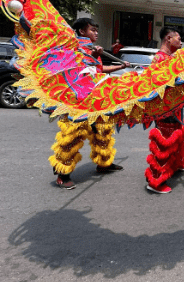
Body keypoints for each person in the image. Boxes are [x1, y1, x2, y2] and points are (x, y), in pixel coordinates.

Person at [51, 18, 130, 190]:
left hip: (95, 98)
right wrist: (93, 56)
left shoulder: (92, 48)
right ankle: (62, 174)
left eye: (96, 30)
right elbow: (81, 69)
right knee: (73, 134)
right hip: (79, 100)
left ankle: (104, 163)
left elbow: (98, 70)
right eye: (92, 30)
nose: (96, 33)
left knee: (102, 130)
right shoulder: (76, 47)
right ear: (81, 32)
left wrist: (120, 66)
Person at [145, 27, 184, 194]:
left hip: (175, 106)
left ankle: (176, 164)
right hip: (165, 108)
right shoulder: (160, 59)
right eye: (178, 38)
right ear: (168, 39)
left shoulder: (169, 58)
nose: (180, 42)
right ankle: (155, 180)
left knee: (177, 136)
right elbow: (158, 86)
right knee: (164, 142)